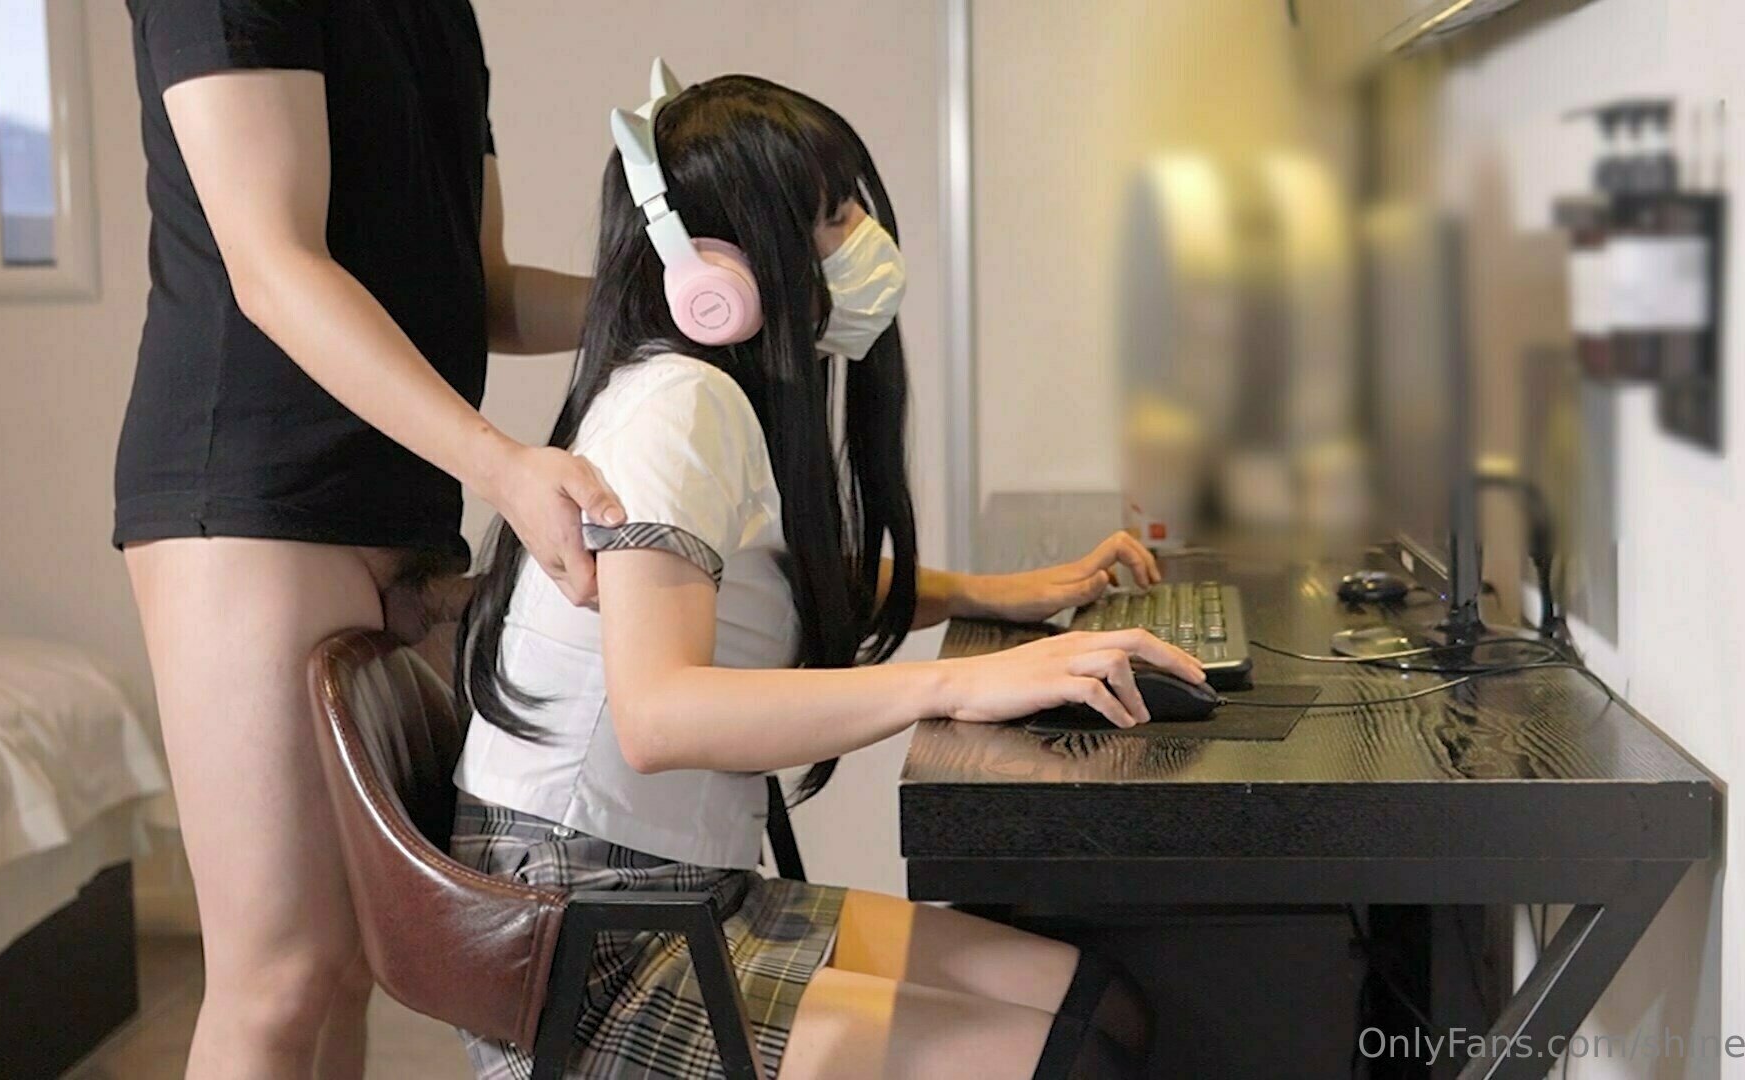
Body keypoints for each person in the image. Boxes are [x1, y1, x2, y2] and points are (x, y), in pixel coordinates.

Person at [437, 63, 1206, 1079]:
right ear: (717, 273)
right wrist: (956, 680)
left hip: (676, 889)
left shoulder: (701, 393)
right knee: (1081, 1056)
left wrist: (997, 596)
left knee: (1108, 1012)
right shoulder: (677, 407)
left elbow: (766, 582)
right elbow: (659, 715)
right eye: (834, 217)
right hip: (590, 932)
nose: (864, 242)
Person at [112, 4, 624, 1077]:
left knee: (346, 968)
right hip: (252, 491)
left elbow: (483, 294)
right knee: (278, 977)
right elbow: (271, 265)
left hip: (393, 499)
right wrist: (501, 465)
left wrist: (667, 303)